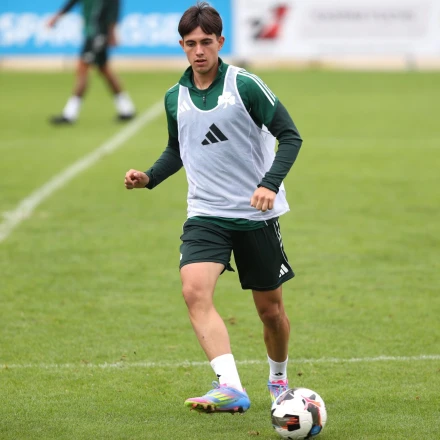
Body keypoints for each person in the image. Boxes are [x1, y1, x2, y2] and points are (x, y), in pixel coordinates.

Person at [124, 1, 303, 414]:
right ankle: (230, 386)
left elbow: (290, 136)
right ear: (182, 46)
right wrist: (149, 177)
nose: (199, 50)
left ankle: (278, 379)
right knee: (193, 290)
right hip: (205, 213)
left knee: (271, 311)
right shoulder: (175, 97)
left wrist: (269, 184)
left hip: (255, 214)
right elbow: (178, 149)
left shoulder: (245, 86)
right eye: (191, 43)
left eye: (206, 42)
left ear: (221, 41)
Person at [47, 0, 135, 124]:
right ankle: (126, 108)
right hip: (92, 34)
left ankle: (70, 114)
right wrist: (56, 17)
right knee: (104, 70)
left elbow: (113, 9)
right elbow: (72, 2)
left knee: (82, 68)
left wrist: (112, 33)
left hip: (98, 34)